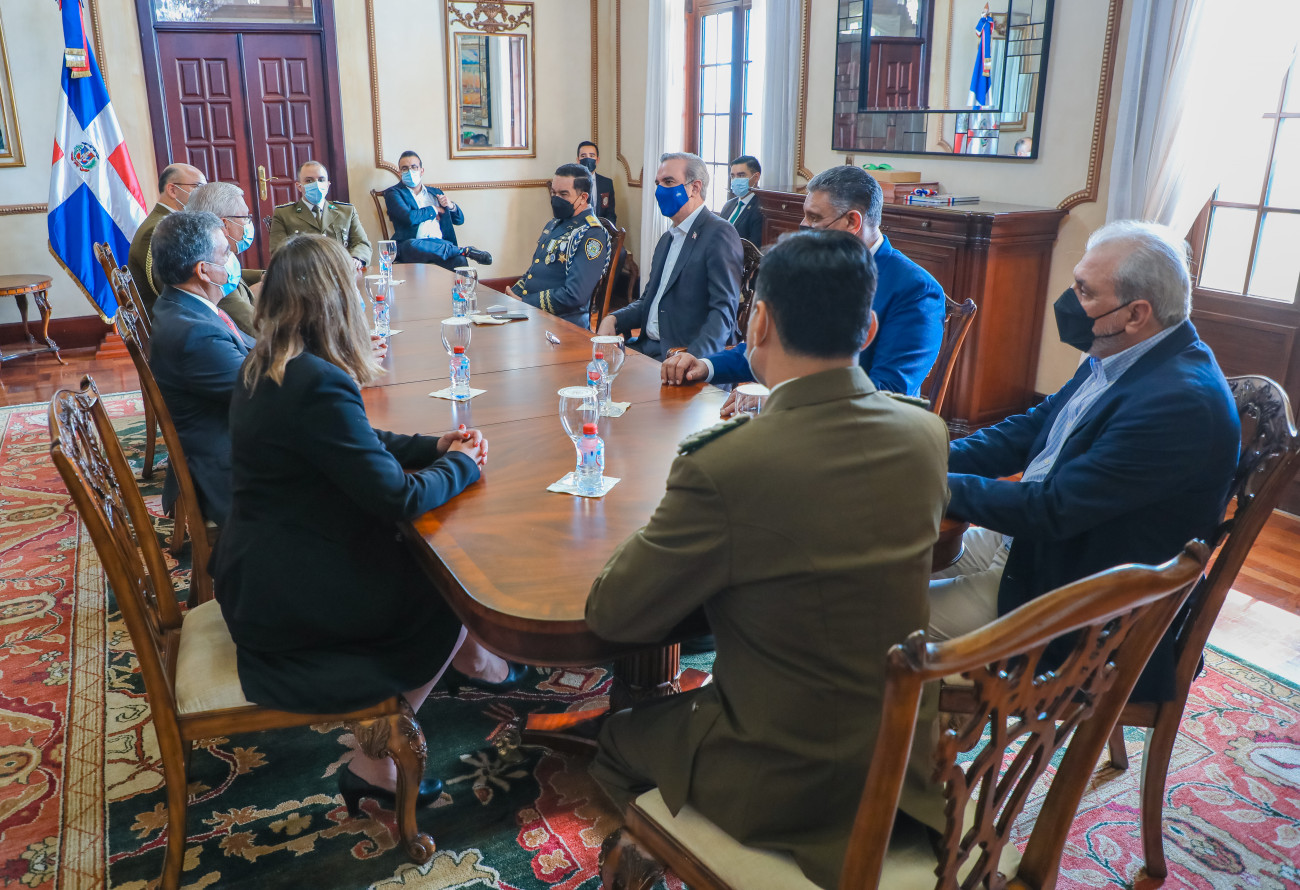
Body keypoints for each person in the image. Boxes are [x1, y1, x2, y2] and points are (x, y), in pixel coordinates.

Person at [586, 230, 949, 890]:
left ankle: (656, 857)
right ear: (869, 329)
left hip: (782, 778)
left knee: (616, 736)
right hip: (903, 764)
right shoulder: (926, 432)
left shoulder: (728, 464)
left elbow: (614, 614)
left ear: (758, 323)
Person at [212, 235, 521, 812]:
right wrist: (462, 464)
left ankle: (475, 660)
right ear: (335, 301)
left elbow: (356, 439)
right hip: (290, 594)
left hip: (260, 568)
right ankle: (376, 760)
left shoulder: (268, 362)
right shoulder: (316, 381)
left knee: (424, 561)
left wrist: (433, 446)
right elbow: (396, 497)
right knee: (449, 584)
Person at [931, 221, 1240, 702]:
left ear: (1136, 313)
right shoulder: (1126, 353)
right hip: (1032, 550)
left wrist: (927, 480)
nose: (1069, 301)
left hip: (1074, 605)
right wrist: (928, 455)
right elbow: (1033, 427)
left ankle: (913, 736)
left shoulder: (1177, 404)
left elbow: (1050, 510)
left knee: (865, 618)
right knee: (873, 573)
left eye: (1084, 291)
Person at [661, 165, 945, 401]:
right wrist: (705, 366)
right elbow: (768, 345)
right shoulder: (810, 267)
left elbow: (888, 391)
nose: (804, 225)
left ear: (852, 221)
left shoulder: (915, 290)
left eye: (814, 218)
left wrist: (780, 399)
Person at [148, 210, 254, 527]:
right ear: (203, 270)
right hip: (231, 470)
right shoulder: (196, 333)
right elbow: (265, 392)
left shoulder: (187, 306)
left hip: (225, 437)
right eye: (226, 253)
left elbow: (252, 349)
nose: (233, 259)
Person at [596, 152, 740, 360]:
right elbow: (648, 301)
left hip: (680, 356)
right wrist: (613, 319)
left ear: (695, 188)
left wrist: (693, 360)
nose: (660, 190)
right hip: (646, 349)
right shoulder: (668, 238)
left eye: (669, 182)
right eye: (658, 183)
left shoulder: (719, 234)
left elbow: (723, 313)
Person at [511, 164, 611, 329]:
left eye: (563, 194)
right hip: (535, 317)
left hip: (564, 326)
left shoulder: (591, 234)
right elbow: (534, 271)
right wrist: (511, 296)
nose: (556, 199)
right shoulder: (555, 224)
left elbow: (575, 295)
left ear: (583, 197)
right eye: (553, 193)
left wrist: (525, 302)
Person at [382, 150, 492, 269]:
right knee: (412, 245)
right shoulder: (393, 193)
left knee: (460, 260)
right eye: (405, 168)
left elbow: (459, 220)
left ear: (421, 171)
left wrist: (451, 206)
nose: (410, 171)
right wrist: (434, 209)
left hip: (439, 243)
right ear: (400, 173)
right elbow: (409, 218)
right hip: (412, 246)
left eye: (414, 167)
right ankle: (463, 250)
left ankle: (460, 253)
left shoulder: (435, 193)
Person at [127, 163, 207, 313]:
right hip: (174, 318)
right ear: (172, 190)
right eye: (198, 187)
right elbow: (173, 288)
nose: (204, 195)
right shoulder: (158, 229)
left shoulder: (172, 224)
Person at [185, 182, 262, 336]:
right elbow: (258, 329)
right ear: (225, 224)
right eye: (245, 217)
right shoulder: (214, 272)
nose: (249, 223)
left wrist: (267, 275)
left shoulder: (207, 254)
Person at [268, 160, 371, 269]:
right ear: (299, 186)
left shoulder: (346, 211)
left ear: (328, 185)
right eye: (309, 180)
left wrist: (356, 258)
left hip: (342, 270)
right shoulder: (284, 214)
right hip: (304, 273)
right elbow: (278, 252)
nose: (316, 184)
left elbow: (362, 243)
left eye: (321, 180)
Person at [719, 155, 764, 246]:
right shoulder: (728, 205)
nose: (735, 180)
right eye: (732, 176)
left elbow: (754, 247)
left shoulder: (762, 209)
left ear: (756, 177)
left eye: (741, 175)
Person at [577, 140, 616, 225]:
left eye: (592, 156)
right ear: (578, 160)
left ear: (597, 160)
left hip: (600, 228)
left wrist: (608, 230)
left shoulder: (607, 183)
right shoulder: (571, 183)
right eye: (583, 156)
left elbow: (610, 214)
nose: (588, 159)